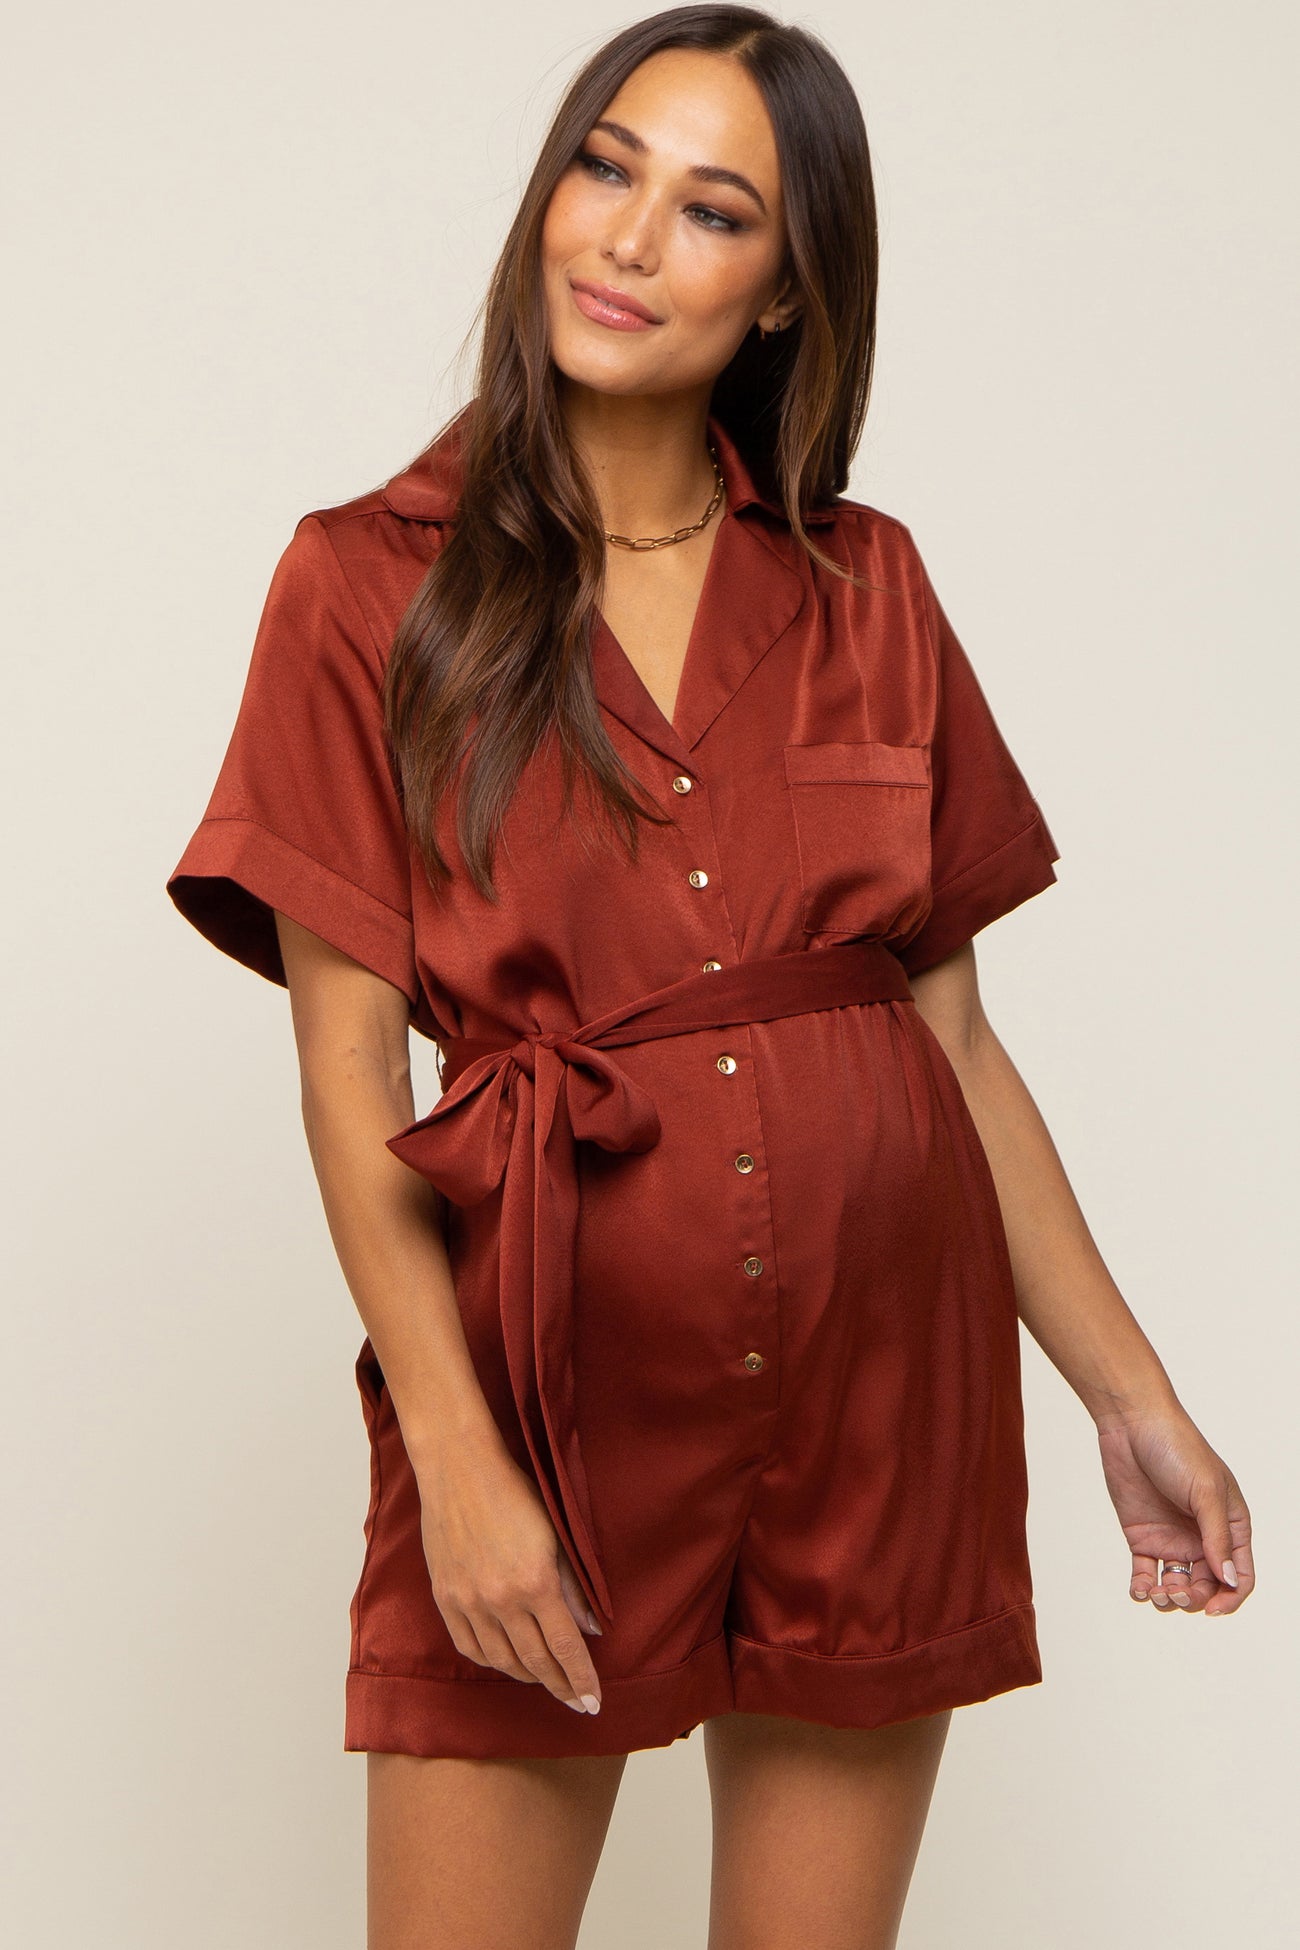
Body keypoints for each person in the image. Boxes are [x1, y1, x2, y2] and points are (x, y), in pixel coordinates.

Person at [165, 7, 1254, 1945]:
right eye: (605, 166)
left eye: (712, 208)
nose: (628, 235)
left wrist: (1128, 1395)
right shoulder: (364, 583)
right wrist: (457, 1462)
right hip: (545, 1397)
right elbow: (347, 1072)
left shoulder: (868, 587)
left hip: (879, 1401)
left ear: (785, 288)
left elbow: (949, 1042)